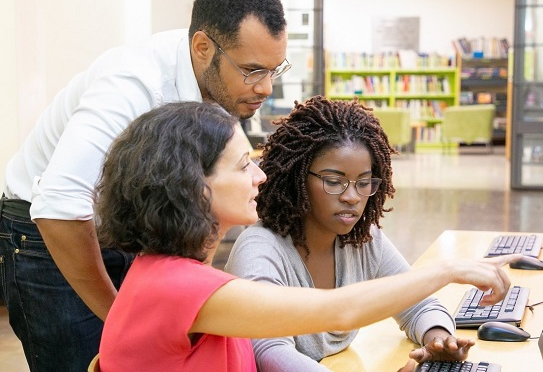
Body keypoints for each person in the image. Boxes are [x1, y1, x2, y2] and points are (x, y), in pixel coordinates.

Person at [95, 101, 519, 372]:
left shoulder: (171, 274)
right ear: (193, 184)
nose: (261, 175)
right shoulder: (180, 286)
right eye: (244, 165)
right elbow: (338, 312)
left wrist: (433, 329)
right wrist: (448, 270)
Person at [0, 0, 289, 371]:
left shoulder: (221, 83)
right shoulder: (133, 83)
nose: (266, 88)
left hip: (116, 225)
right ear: (203, 47)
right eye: (253, 70)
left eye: (275, 69)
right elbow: (58, 205)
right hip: (46, 229)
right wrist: (125, 318)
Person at [224, 96, 485, 371]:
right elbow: (268, 349)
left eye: (364, 183)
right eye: (334, 182)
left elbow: (417, 305)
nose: (352, 197)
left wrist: (439, 339)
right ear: (297, 178)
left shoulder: (363, 240)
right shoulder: (260, 248)